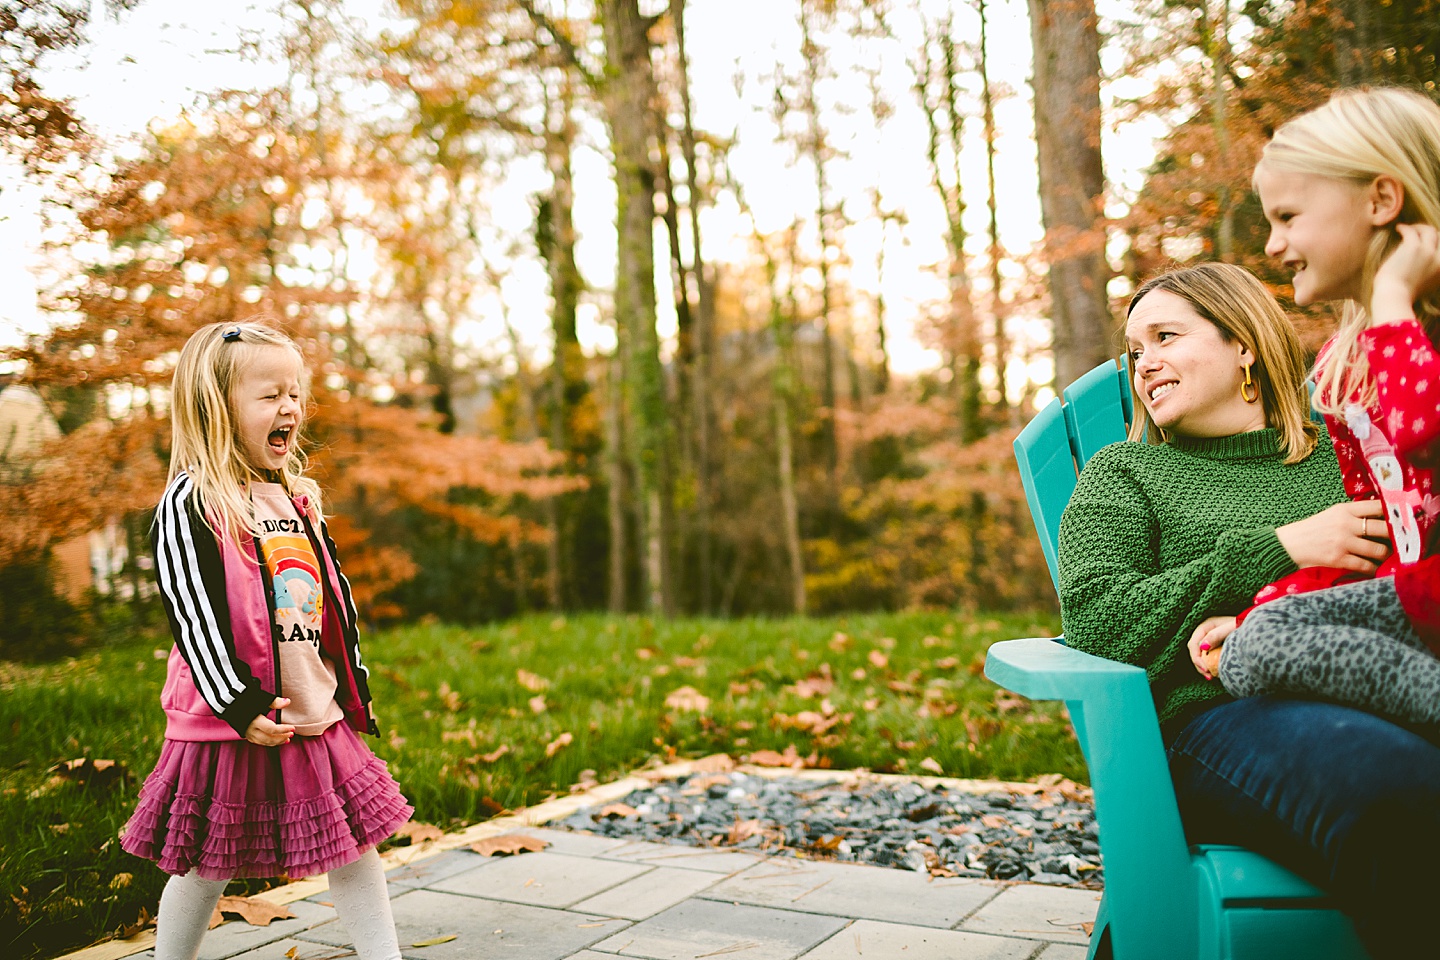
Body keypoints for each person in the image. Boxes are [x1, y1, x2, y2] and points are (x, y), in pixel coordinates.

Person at [1058, 261, 1440, 959]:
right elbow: (1097, 621)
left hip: (1387, 686)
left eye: (1166, 337)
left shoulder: (1348, 455)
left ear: (1243, 344)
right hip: (1215, 722)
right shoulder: (1125, 473)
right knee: (1392, 790)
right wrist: (1277, 549)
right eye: (1135, 350)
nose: (1145, 363)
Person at [120, 321, 412, 960]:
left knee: (354, 847)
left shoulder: (294, 498)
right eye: (271, 395)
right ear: (217, 408)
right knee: (206, 862)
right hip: (234, 714)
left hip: (308, 708)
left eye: (296, 394)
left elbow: (330, 597)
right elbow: (192, 610)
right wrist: (238, 703)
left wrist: (348, 683)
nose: (292, 408)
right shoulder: (194, 500)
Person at [1184, 87, 1440, 733]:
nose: (1272, 244)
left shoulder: (1404, 338)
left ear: (1381, 201)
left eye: (1289, 217)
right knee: (1257, 639)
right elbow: (1378, 536)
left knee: (1259, 649)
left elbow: (1424, 431)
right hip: (1415, 599)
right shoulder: (1344, 364)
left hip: (1425, 600)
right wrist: (1265, 610)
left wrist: (1392, 303)